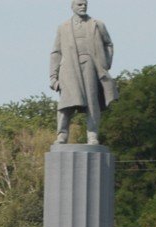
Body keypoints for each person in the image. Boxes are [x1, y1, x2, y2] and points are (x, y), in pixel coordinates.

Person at [50, 0, 116, 145]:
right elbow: (56, 52)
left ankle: (92, 135)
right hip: (69, 69)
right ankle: (62, 134)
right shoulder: (63, 27)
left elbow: (108, 44)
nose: (83, 6)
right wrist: (53, 77)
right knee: (66, 103)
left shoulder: (97, 24)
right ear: (72, 7)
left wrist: (105, 63)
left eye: (85, 4)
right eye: (79, 4)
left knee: (92, 103)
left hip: (91, 67)